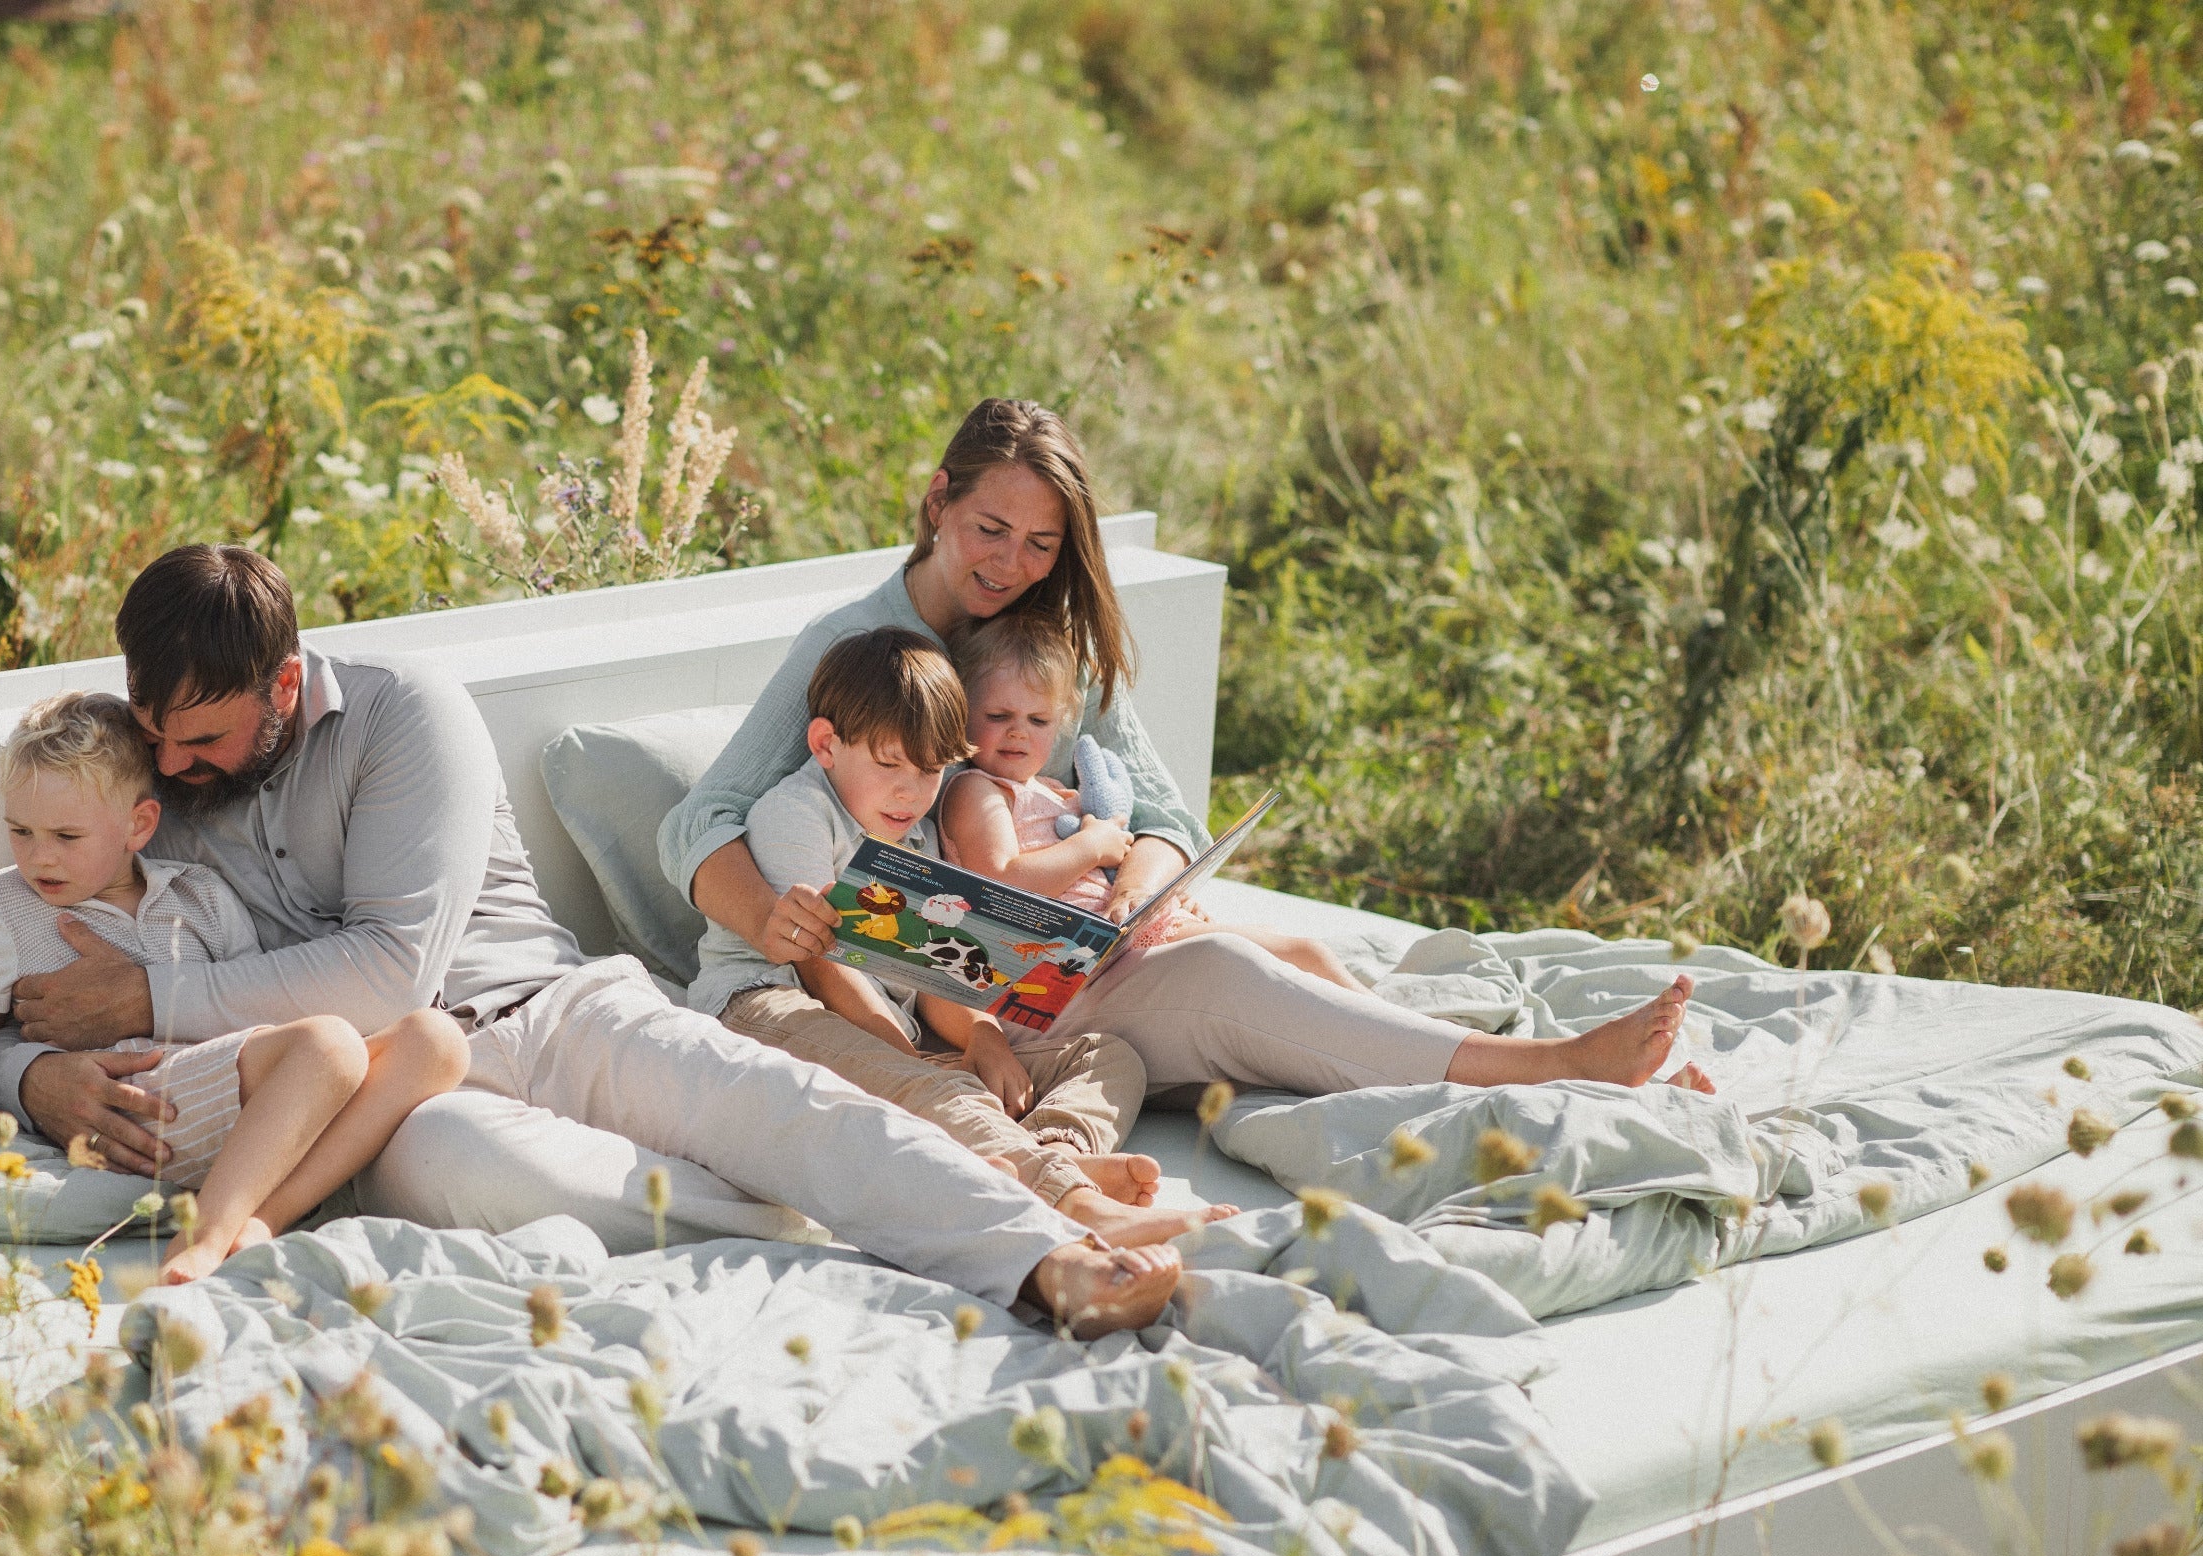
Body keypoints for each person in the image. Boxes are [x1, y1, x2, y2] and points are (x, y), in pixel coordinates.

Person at [0, 545, 1182, 1335]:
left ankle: (1043, 1254)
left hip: (546, 1008)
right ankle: (852, 1227)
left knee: (767, 1102)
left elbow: (390, 967)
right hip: (400, 1090)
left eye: (205, 743)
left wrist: (149, 997)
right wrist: (27, 1074)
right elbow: (16, 972)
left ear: (283, 688)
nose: (175, 771)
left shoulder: (405, 713)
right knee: (494, 1180)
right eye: (157, 739)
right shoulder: (144, 772)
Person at [660, 396, 1714, 1098]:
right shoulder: (853, 648)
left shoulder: (1043, 654)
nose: (1011, 565)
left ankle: (1532, 1070)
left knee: (1258, 961)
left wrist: (1131, 897)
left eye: (1041, 545)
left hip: (1067, 963)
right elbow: (698, 821)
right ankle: (1550, 1065)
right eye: (990, 530)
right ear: (939, 502)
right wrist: (773, 919)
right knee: (1234, 975)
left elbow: (1164, 816)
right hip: (941, 993)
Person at [0, 689, 469, 1281]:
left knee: (436, 1040)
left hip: (240, 1094)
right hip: (137, 1106)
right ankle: (201, 1237)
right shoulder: (7, 904)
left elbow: (252, 1007)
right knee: (328, 1045)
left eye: (66, 837)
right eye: (20, 831)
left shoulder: (200, 894)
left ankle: (259, 1220)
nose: (41, 858)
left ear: (138, 825)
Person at [684, 625, 1210, 1247]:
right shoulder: (797, 812)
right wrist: (908, 1060)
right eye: (889, 764)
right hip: (770, 1005)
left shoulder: (914, 833)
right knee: (938, 1087)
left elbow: (933, 970)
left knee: (1108, 1056)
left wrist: (984, 1035)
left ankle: (1056, 1151)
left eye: (931, 770)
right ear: (826, 744)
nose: (911, 792)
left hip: (893, 1030)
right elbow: (822, 965)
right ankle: (1076, 1203)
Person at [939, 618, 1369, 995]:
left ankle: (1387, 1026)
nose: (1019, 732)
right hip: (1086, 956)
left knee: (1296, 957)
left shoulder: (1054, 791)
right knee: (1300, 954)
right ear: (963, 712)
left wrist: (1163, 899)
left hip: (1120, 936)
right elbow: (999, 883)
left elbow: (1105, 874)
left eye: (1038, 720)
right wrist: (1091, 845)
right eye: (998, 716)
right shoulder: (976, 790)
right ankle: (1397, 1032)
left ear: (1062, 724)